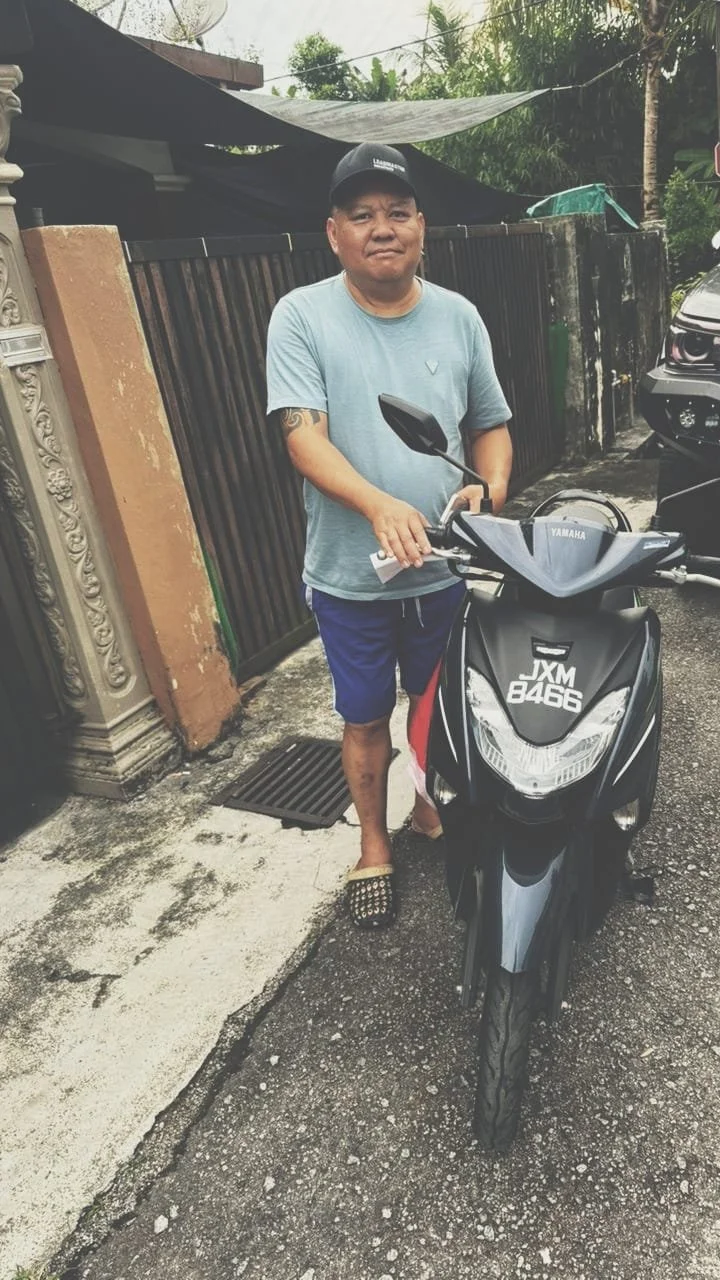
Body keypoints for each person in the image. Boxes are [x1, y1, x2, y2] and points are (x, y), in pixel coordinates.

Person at [265, 142, 513, 930]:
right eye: (362, 214)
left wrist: (489, 488)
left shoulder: (459, 317)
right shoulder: (301, 316)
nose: (382, 228)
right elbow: (303, 436)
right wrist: (377, 505)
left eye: (398, 212)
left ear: (421, 228)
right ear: (334, 232)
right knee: (366, 715)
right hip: (350, 576)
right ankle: (373, 845)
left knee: (440, 709)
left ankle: (429, 804)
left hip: (444, 569)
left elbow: (491, 425)